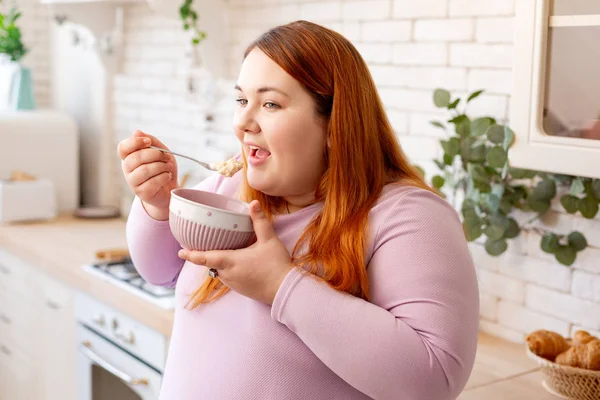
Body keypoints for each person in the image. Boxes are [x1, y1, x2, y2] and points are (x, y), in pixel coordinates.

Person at [118, 20, 479, 400]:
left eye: (270, 103)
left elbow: (433, 381)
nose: (242, 123)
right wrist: (157, 205)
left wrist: (281, 285)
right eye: (242, 100)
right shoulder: (232, 188)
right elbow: (160, 271)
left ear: (333, 125)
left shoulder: (409, 217)